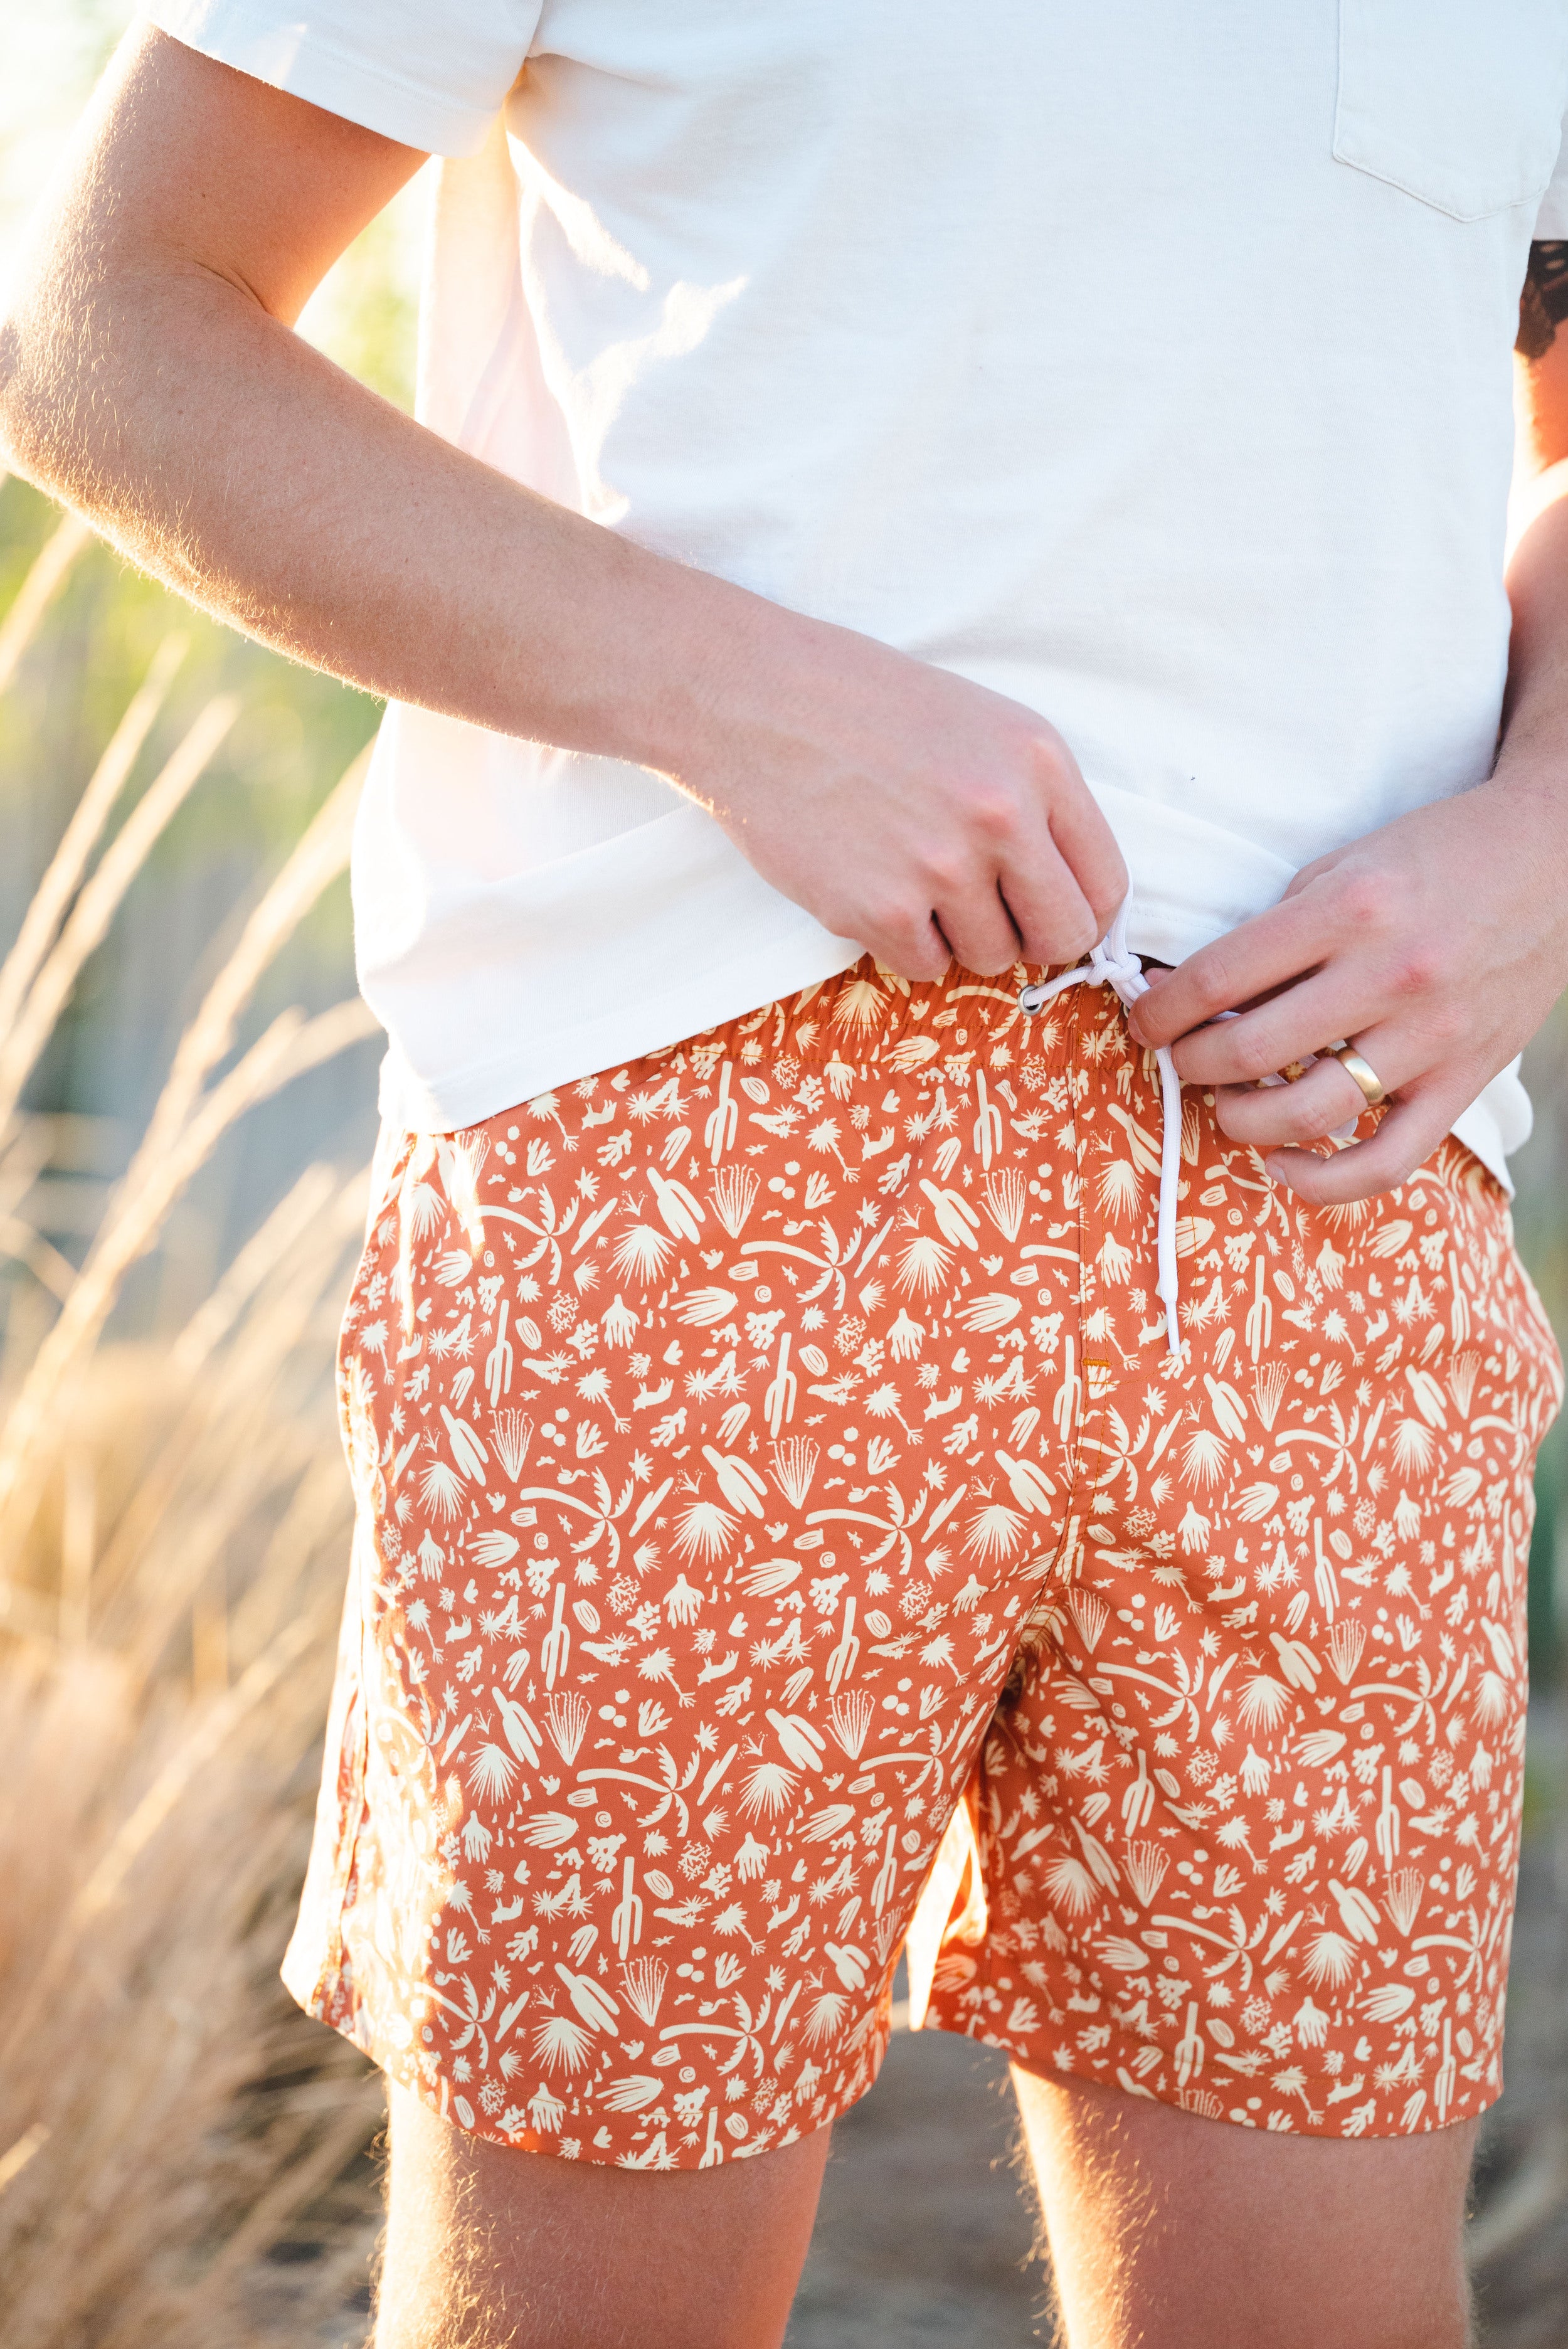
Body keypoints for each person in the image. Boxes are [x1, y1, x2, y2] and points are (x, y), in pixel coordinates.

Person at [4, 8, 1567, 2343]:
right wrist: (745, 704)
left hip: (1334, 1199)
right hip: (687, 1196)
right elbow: (114, 322)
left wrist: (1545, 839)